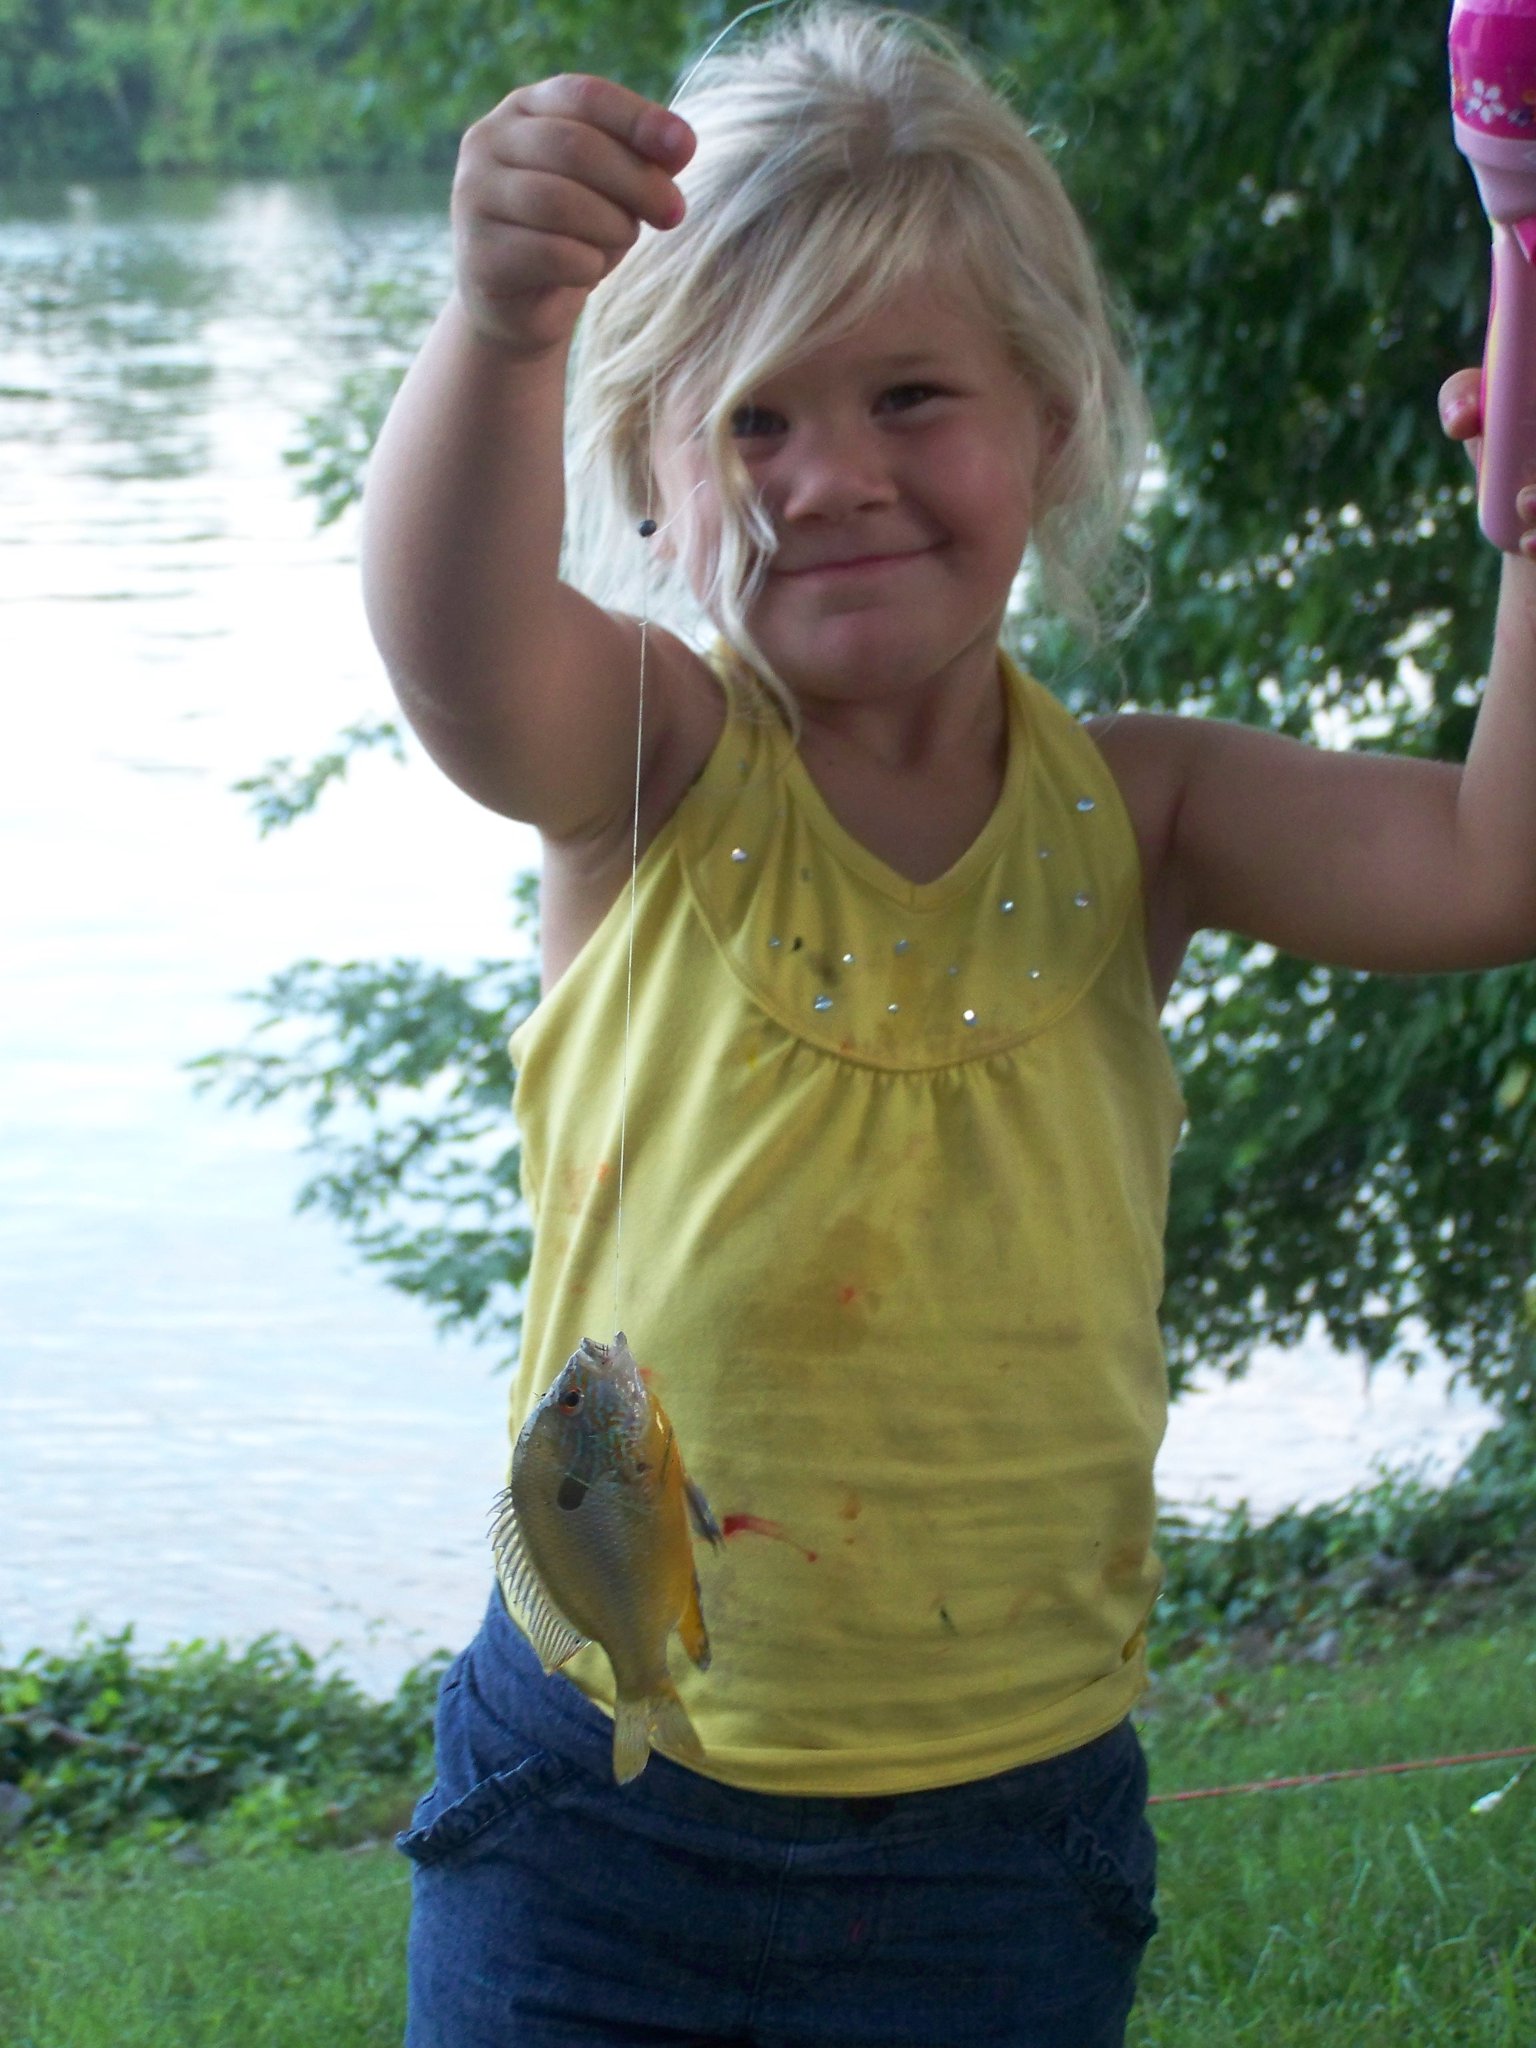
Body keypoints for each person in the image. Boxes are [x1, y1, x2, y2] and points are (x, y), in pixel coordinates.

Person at [360, 7, 1536, 2043]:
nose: (834, 478)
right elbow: (458, 657)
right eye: (751, 422)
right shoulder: (648, 762)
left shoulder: (1146, 815)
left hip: (1003, 1843)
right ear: (646, 461)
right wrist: (492, 321)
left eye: (913, 394)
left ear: (1052, 425)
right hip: (591, 1832)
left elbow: (1487, 864)